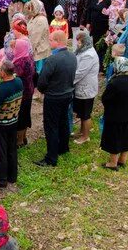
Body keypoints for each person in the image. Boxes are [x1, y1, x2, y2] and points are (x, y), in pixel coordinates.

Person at [35, 31, 77, 167]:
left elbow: (42, 81)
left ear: (58, 41)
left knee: (51, 126)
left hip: (53, 97)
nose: (49, 42)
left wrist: (42, 90)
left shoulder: (52, 59)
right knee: (63, 121)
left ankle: (51, 158)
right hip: (67, 94)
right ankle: (63, 147)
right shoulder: (72, 56)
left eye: (51, 40)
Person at [0, 60, 24, 186]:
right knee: (11, 148)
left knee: (0, 151)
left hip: (1, 124)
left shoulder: (0, 89)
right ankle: (12, 176)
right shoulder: (19, 82)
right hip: (14, 121)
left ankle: (0, 179)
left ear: (3, 73)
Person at [100, 57, 128, 170]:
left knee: (114, 138)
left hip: (115, 115)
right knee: (125, 137)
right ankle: (122, 160)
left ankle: (113, 163)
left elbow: (105, 98)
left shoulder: (114, 82)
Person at [73, 30, 100, 145]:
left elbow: (81, 72)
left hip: (86, 88)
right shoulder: (84, 51)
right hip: (81, 87)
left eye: (79, 42)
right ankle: (81, 131)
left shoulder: (89, 54)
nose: (77, 44)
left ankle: (85, 136)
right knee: (81, 112)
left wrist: (69, 81)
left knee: (85, 114)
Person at [9, 30, 35, 148]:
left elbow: (14, 77)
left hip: (22, 93)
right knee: (26, 114)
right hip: (29, 90)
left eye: (15, 48)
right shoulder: (28, 57)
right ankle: (23, 137)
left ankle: (19, 141)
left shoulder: (20, 62)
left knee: (21, 117)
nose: (13, 50)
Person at [86, 0, 113, 65]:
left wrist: (109, 29)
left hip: (104, 27)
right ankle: (94, 63)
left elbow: (112, 15)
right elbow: (89, 9)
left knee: (102, 46)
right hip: (94, 25)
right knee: (94, 44)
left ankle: (101, 65)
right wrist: (88, 22)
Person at [25, 0, 51, 77]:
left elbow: (35, 38)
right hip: (35, 49)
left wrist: (30, 50)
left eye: (32, 8)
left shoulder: (41, 20)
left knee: (40, 73)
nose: (30, 10)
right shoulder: (34, 17)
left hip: (40, 50)